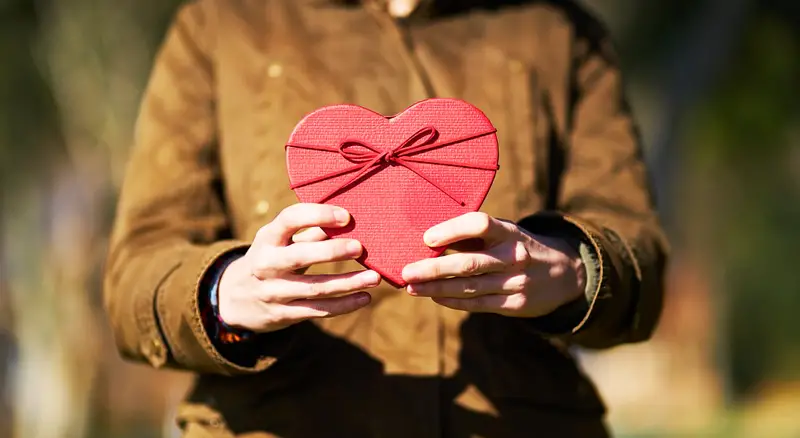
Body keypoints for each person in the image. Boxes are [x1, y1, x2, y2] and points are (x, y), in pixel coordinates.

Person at [103, 0, 669, 436]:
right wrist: (224, 293)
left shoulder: (556, 33)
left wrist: (573, 270)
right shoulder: (224, 25)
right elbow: (136, 275)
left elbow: (639, 254)